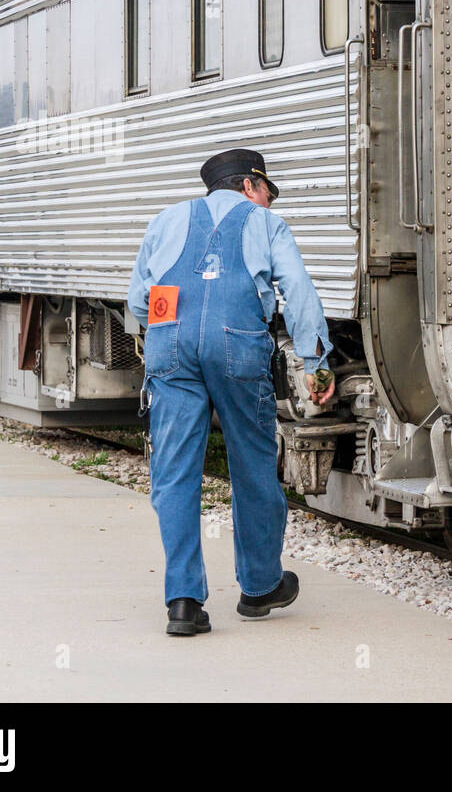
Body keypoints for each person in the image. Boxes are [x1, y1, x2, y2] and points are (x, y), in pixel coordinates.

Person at [127, 148, 336, 635]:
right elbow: (299, 292)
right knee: (252, 465)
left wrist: (167, 333)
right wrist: (315, 363)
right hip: (238, 347)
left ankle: (182, 601)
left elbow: (139, 297)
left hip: (170, 344)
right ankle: (260, 586)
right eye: (266, 191)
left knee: (174, 472)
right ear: (248, 186)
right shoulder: (267, 226)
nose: (268, 201)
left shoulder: (166, 219)